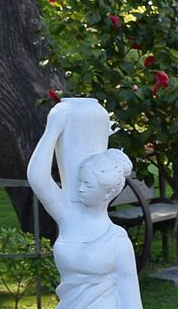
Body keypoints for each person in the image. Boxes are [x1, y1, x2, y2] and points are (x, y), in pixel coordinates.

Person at [27, 101, 143, 309]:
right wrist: (53, 130)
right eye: (80, 181)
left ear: (108, 192)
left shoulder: (117, 240)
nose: (79, 188)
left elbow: (131, 299)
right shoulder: (68, 215)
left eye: (87, 184)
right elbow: (38, 178)